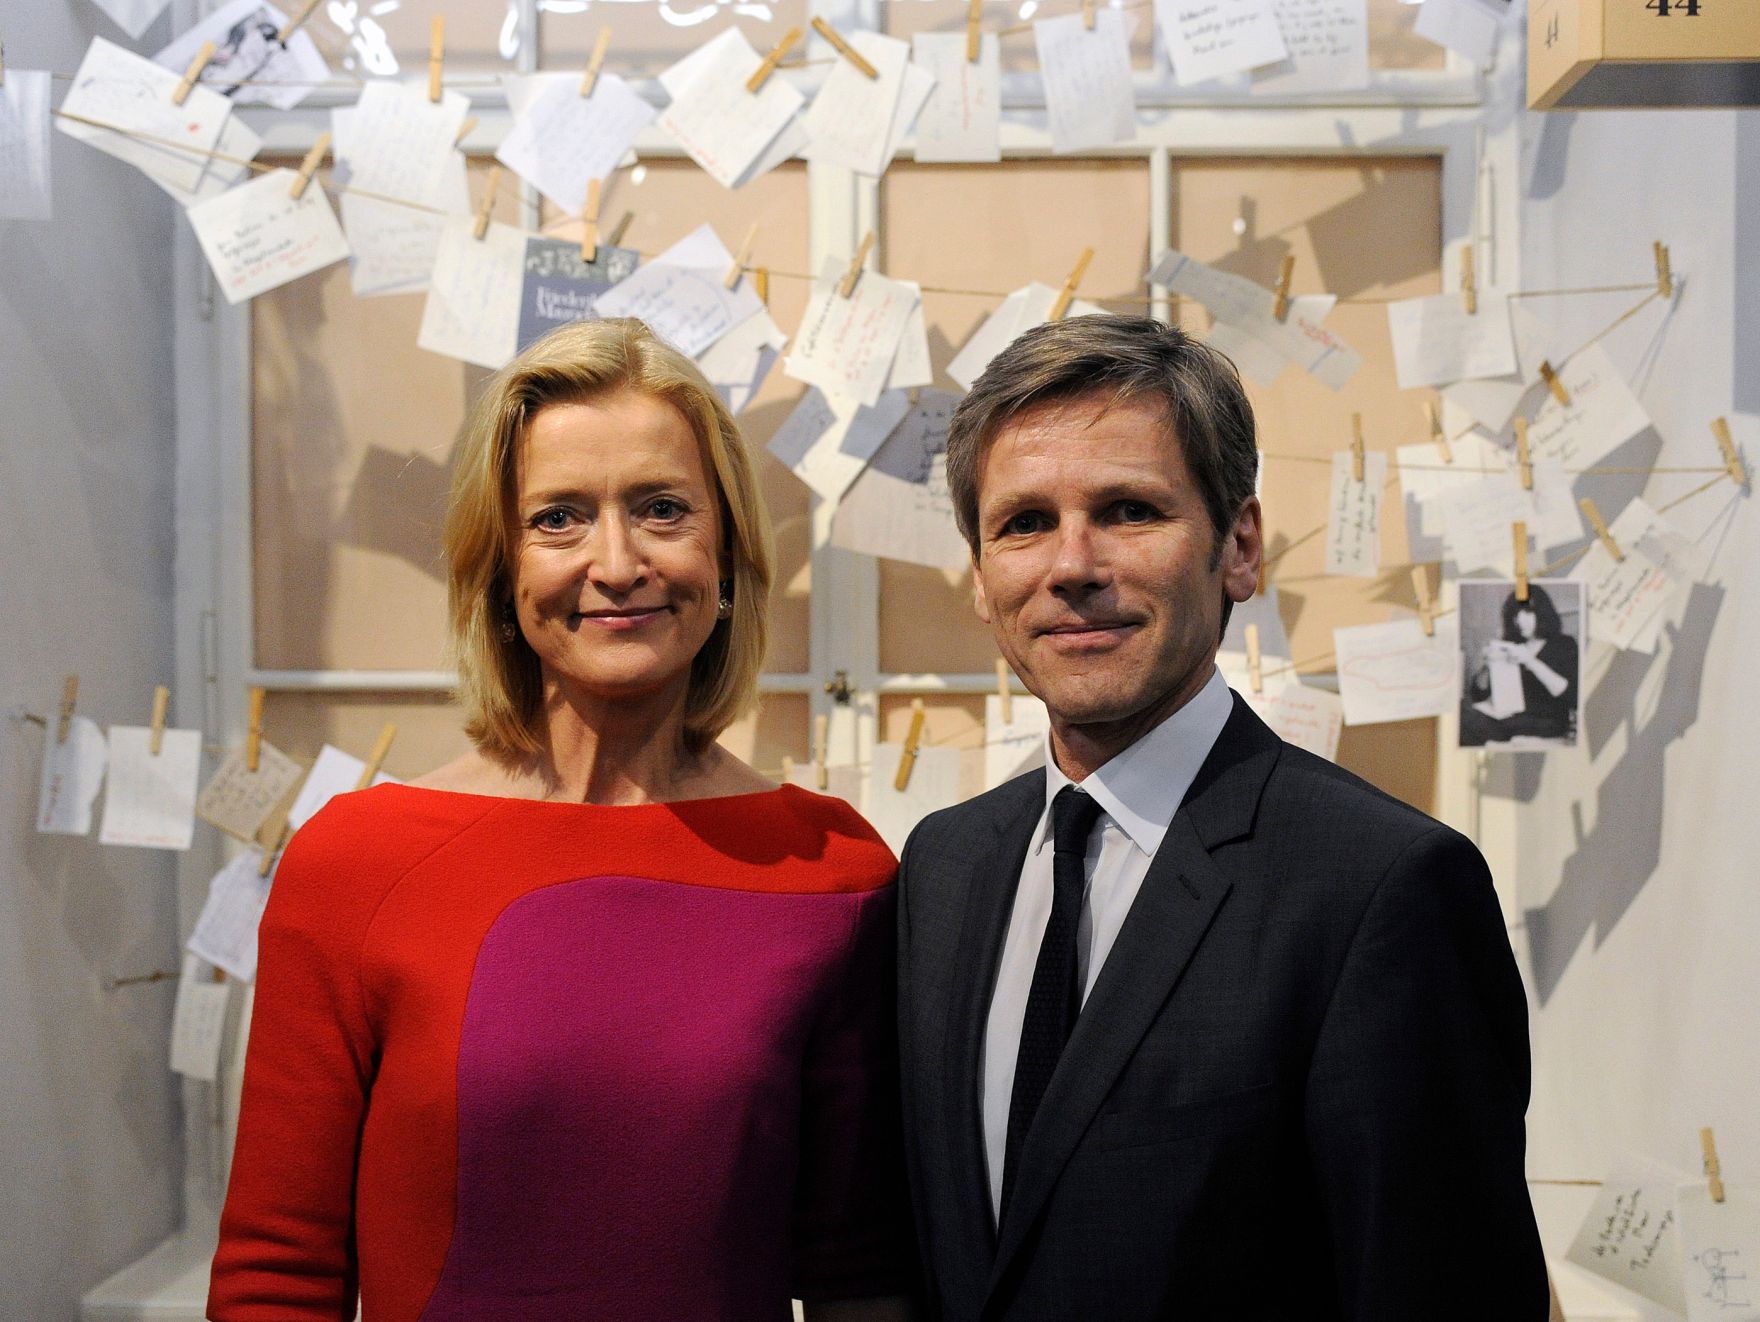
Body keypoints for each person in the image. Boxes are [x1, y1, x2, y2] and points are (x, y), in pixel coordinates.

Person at [210, 319, 913, 1322]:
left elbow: (861, 1272)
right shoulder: (354, 860)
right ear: (498, 570)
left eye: (662, 508)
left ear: (726, 553)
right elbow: (278, 1272)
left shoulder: (831, 866)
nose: (616, 561)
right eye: (558, 518)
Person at [894, 315, 1549, 1321]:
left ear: (1237, 547)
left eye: (1126, 509)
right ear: (981, 579)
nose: (1070, 562)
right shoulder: (941, 868)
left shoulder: (1383, 888)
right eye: (1022, 522)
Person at [1460, 582, 1579, 746]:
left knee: (1470, 724)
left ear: (1542, 613)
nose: (1520, 621)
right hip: (1509, 718)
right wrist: (1487, 667)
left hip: (1547, 723)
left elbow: (1571, 695)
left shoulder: (1564, 644)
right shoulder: (1513, 645)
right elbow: (1479, 694)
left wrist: (1530, 661)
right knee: (1463, 714)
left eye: (1528, 613)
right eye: (1515, 615)